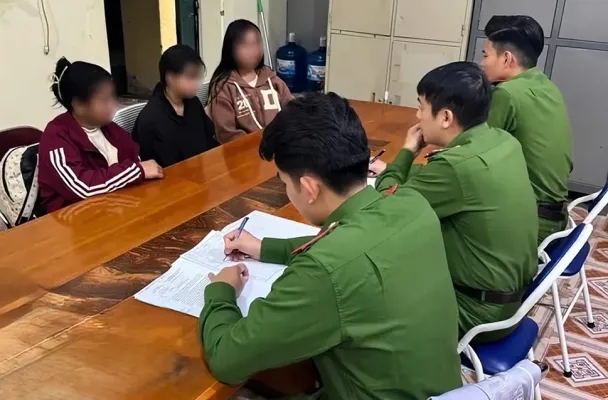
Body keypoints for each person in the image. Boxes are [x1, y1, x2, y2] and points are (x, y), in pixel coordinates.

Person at [198, 92, 462, 399]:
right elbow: (350, 240)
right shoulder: (411, 203)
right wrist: (263, 247)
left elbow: (227, 359)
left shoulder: (322, 271)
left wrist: (221, 291)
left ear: (309, 188)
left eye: (284, 182)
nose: (287, 191)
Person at [370, 62, 538, 341]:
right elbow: (451, 180)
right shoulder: (502, 140)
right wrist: (397, 170)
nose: (417, 115)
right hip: (511, 301)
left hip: (475, 313)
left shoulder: (455, 167)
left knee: (365, 286)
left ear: (445, 117)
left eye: (421, 107)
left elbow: (385, 205)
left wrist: (407, 152)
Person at [481, 15, 572, 241]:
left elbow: (473, 156)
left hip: (530, 223)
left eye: (485, 55)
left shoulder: (508, 94)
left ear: (506, 58)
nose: (482, 63)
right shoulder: (546, 86)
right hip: (556, 216)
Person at [38, 57, 163, 213]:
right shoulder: (56, 136)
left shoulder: (109, 128)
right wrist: (137, 171)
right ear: (78, 104)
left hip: (116, 209)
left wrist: (136, 171)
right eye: (104, 100)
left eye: (112, 96)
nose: (112, 104)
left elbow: (133, 159)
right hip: (75, 219)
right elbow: (83, 188)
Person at [133, 45, 219, 168]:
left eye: (198, 76)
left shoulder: (193, 103)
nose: (197, 83)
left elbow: (209, 141)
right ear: (170, 78)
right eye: (190, 77)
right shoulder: (151, 119)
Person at [207, 19, 293, 144]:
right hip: (243, 150)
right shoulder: (224, 87)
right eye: (246, 45)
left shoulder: (272, 79)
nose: (254, 50)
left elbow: (293, 111)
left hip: (279, 145)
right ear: (230, 49)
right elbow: (226, 133)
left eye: (257, 43)